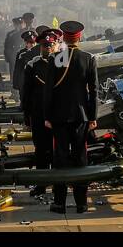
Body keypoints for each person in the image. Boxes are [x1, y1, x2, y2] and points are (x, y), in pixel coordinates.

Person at [41, 20, 99, 214]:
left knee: (60, 159)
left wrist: (47, 116)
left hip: (58, 117)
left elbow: (48, 91)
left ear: (63, 37)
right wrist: (93, 117)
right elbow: (94, 91)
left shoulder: (57, 58)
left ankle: (60, 203)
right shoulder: (88, 58)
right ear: (80, 37)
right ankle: (82, 203)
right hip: (81, 116)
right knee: (81, 157)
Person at [20, 27, 60, 197]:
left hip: (58, 115)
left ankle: (59, 183)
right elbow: (26, 93)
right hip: (39, 115)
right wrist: (26, 116)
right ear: (40, 46)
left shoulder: (62, 63)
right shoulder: (33, 65)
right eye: (45, 45)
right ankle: (42, 183)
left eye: (51, 45)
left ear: (57, 45)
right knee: (41, 151)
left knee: (58, 151)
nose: (48, 48)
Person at [10, 28, 36, 99]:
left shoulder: (38, 52)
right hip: (23, 79)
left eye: (33, 42)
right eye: (29, 42)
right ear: (25, 43)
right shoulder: (21, 53)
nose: (31, 44)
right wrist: (16, 83)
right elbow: (17, 69)